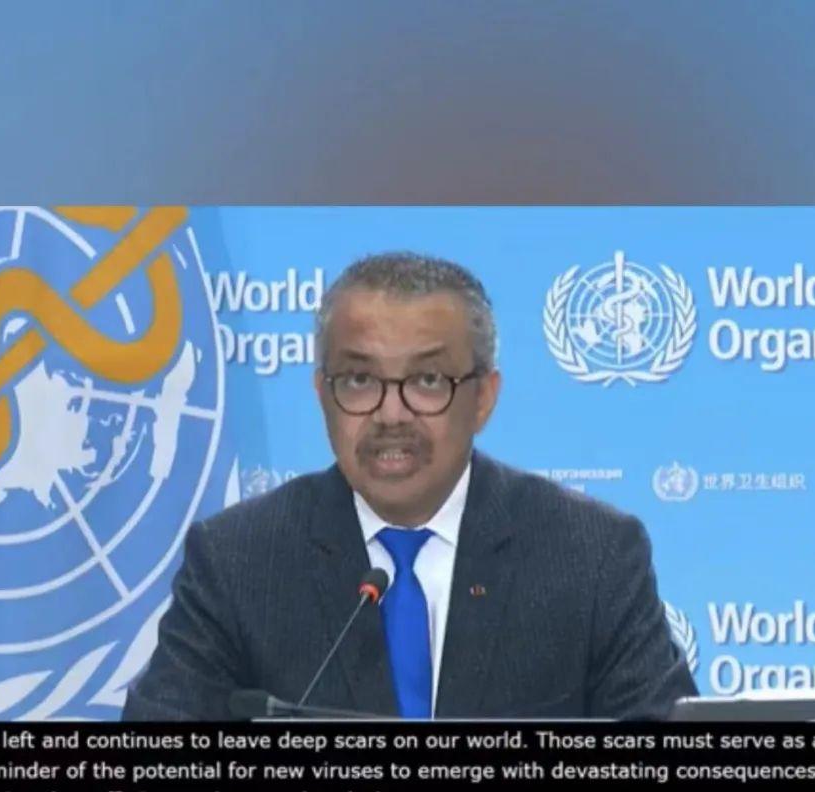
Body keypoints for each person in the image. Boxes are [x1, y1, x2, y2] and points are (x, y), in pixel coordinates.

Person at [123, 252, 695, 721]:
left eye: (426, 380)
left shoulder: (591, 555)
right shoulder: (239, 560)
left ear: (484, 398)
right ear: (322, 394)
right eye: (359, 379)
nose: (390, 414)